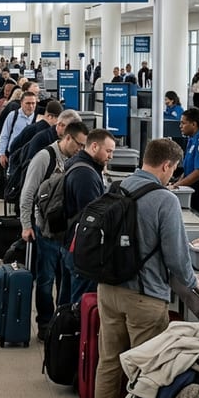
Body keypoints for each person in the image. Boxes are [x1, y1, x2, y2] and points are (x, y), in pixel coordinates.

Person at [94, 138, 199, 398]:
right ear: (166, 165)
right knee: (146, 369)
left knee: (109, 362)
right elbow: (176, 257)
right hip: (144, 297)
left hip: (108, 290)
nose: (172, 176)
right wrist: (192, 281)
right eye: (174, 170)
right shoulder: (165, 200)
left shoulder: (116, 187)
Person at [19, 122, 89, 338]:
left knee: (64, 279)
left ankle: (60, 323)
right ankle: (45, 323)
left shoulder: (77, 160)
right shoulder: (45, 157)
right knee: (46, 278)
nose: (80, 149)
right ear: (67, 138)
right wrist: (26, 224)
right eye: (79, 144)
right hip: (45, 231)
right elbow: (28, 192)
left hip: (65, 233)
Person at [61, 129, 116, 304]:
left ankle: (63, 321)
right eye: (108, 151)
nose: (111, 156)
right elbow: (91, 219)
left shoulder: (78, 164)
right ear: (94, 146)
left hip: (70, 244)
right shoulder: (86, 176)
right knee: (80, 304)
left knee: (66, 300)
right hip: (81, 250)